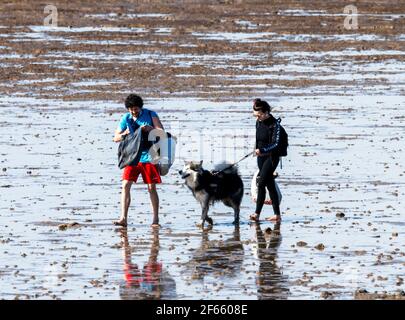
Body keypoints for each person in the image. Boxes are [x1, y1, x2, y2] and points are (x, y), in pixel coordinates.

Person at [113, 94, 164, 228]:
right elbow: (116, 137)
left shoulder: (150, 114)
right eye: (131, 109)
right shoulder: (126, 118)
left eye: (136, 109)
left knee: (151, 187)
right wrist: (125, 134)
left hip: (150, 156)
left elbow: (161, 132)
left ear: (140, 107)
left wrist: (150, 129)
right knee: (125, 185)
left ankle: (155, 220)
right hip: (132, 157)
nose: (133, 111)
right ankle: (123, 218)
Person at [250, 98, 282, 223]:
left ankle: (257, 214)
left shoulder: (275, 125)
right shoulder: (258, 122)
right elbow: (258, 140)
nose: (257, 118)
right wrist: (257, 150)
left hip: (272, 157)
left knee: (261, 183)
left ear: (265, 112)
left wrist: (262, 150)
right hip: (261, 157)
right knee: (269, 184)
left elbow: (276, 144)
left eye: (258, 115)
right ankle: (277, 215)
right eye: (255, 116)